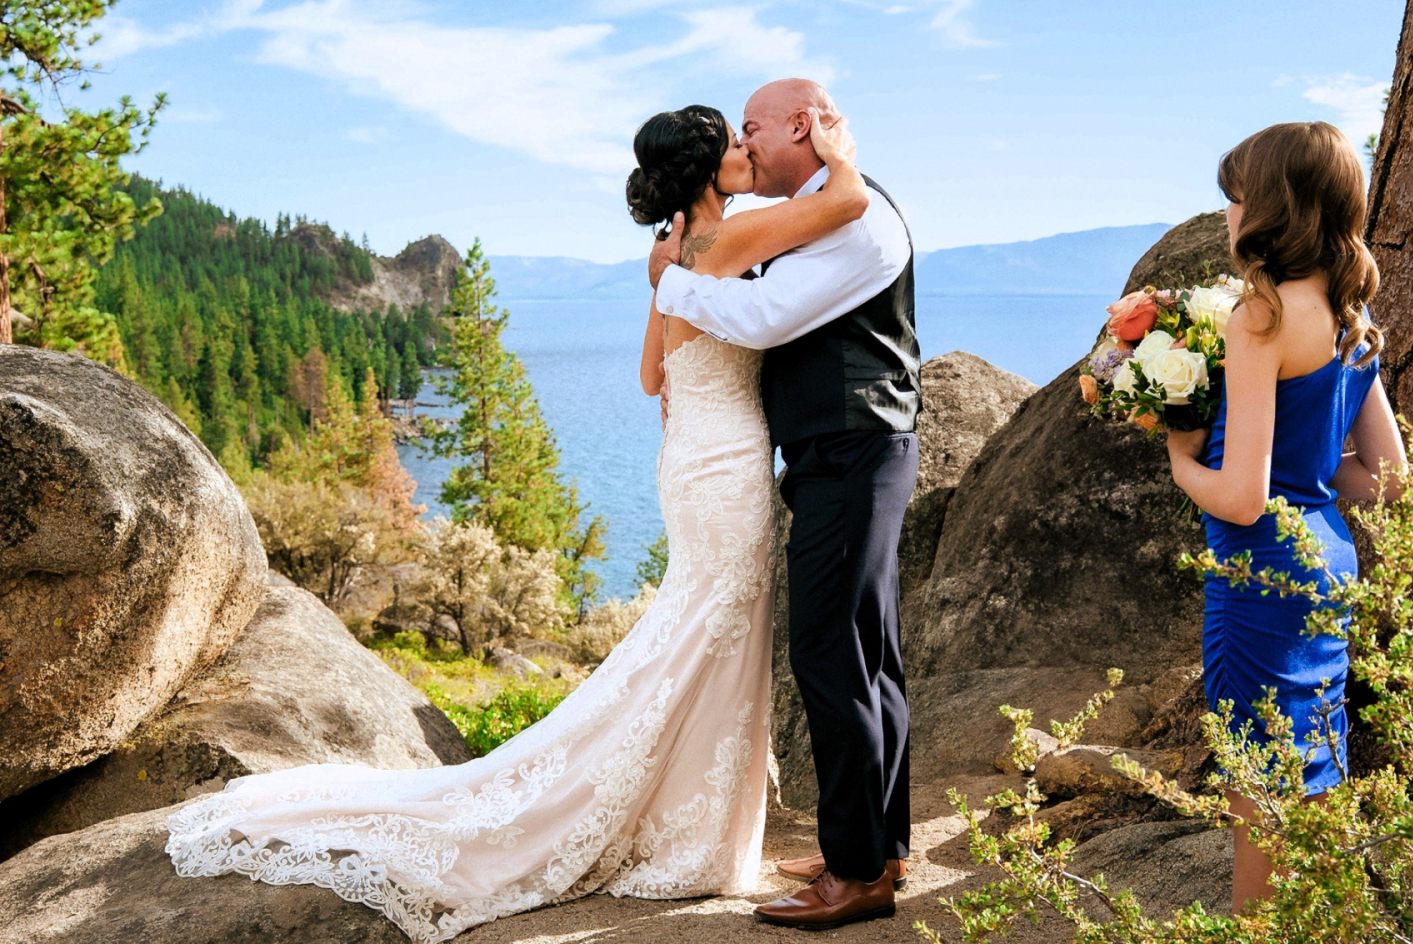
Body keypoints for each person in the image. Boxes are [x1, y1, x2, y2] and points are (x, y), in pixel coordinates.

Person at [162, 104, 865, 944]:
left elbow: (652, 375)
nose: (750, 150)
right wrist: (835, 151)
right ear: (708, 170)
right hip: (725, 467)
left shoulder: (678, 252)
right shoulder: (718, 245)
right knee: (713, 633)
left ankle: (691, 821)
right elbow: (847, 205)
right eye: (734, 145)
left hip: (695, 460)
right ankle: (689, 834)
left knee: (699, 634)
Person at [648, 78, 920, 931]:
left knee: (832, 650)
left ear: (802, 125)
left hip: (853, 449)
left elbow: (765, 317)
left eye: (755, 127)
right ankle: (875, 844)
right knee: (866, 647)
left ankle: (856, 875)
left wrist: (674, 285)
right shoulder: (817, 208)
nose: (749, 143)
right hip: (834, 453)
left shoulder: (860, 215)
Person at [1163, 121, 1407, 915]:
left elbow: (1240, 495)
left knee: (1257, 788)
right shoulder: (1348, 311)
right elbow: (1389, 476)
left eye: (1235, 197)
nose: (1228, 214)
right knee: (1316, 771)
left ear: (1270, 207)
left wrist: (1180, 459)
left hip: (1259, 572)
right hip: (1329, 562)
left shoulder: (1260, 315)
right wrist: (1311, 464)